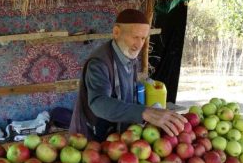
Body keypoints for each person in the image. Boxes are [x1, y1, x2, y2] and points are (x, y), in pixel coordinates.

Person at [69, 9, 187, 142]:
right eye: (135, 37)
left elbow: (127, 97)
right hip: (90, 141)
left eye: (143, 38)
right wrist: (143, 112)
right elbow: (99, 102)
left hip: (117, 140)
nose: (139, 45)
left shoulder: (128, 56)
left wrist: (150, 110)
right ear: (116, 32)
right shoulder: (99, 63)